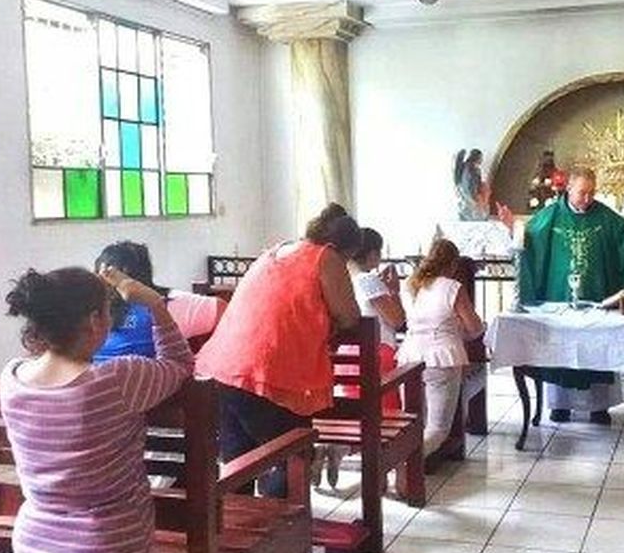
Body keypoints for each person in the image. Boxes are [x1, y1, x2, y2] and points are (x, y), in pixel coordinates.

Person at [0, 264, 194, 553]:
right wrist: (155, 305)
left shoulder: (12, 378)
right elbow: (180, 365)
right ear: (94, 321)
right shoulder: (117, 380)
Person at [195, 205, 364, 496]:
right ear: (342, 249)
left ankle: (239, 524)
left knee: (238, 463)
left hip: (221, 368)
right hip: (268, 372)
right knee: (292, 460)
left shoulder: (274, 252)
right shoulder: (326, 257)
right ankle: (280, 522)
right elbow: (349, 316)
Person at [506, 165, 624, 424]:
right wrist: (514, 230)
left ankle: (599, 407)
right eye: (582, 193)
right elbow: (528, 239)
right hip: (559, 298)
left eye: (592, 193)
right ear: (568, 189)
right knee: (560, 349)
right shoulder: (551, 215)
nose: (587, 198)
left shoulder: (606, 218)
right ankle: (560, 405)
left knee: (596, 347)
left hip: (595, 297)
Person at [398, 238, 486, 460]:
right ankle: (401, 464)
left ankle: (402, 464)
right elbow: (475, 328)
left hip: (409, 356)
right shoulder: (452, 287)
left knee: (411, 424)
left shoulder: (410, 284)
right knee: (437, 430)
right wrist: (461, 330)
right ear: (453, 264)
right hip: (442, 358)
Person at [90, 241, 226, 361]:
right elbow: (225, 311)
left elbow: (222, 310)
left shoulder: (168, 303)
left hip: (116, 377)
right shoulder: (167, 303)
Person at [348, 227, 405, 414]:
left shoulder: (346, 279)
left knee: (357, 411)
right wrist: (394, 291)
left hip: (350, 353)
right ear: (372, 253)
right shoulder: (369, 280)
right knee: (384, 410)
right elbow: (397, 320)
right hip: (377, 352)